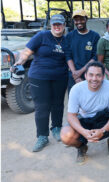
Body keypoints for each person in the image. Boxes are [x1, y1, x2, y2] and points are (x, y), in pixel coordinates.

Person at [12, 14, 68, 152]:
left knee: (58, 104)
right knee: (42, 107)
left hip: (60, 77)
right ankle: (42, 136)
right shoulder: (42, 36)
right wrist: (20, 62)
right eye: (54, 24)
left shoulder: (67, 40)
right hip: (39, 77)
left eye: (59, 24)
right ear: (51, 25)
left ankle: (56, 128)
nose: (57, 26)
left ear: (64, 25)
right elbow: (26, 52)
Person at [60, 62, 109, 164]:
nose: (94, 79)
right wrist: (83, 132)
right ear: (85, 75)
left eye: (98, 75)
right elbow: (71, 116)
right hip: (85, 119)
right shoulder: (76, 89)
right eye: (91, 75)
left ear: (103, 76)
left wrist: (103, 130)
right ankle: (81, 147)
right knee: (65, 135)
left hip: (105, 118)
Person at [66, 9, 100, 94]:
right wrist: (75, 75)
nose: (79, 22)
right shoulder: (70, 36)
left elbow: (95, 57)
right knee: (74, 102)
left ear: (86, 19)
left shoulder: (94, 36)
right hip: (73, 75)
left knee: (90, 100)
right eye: (76, 20)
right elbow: (68, 55)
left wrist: (80, 72)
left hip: (90, 74)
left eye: (81, 19)